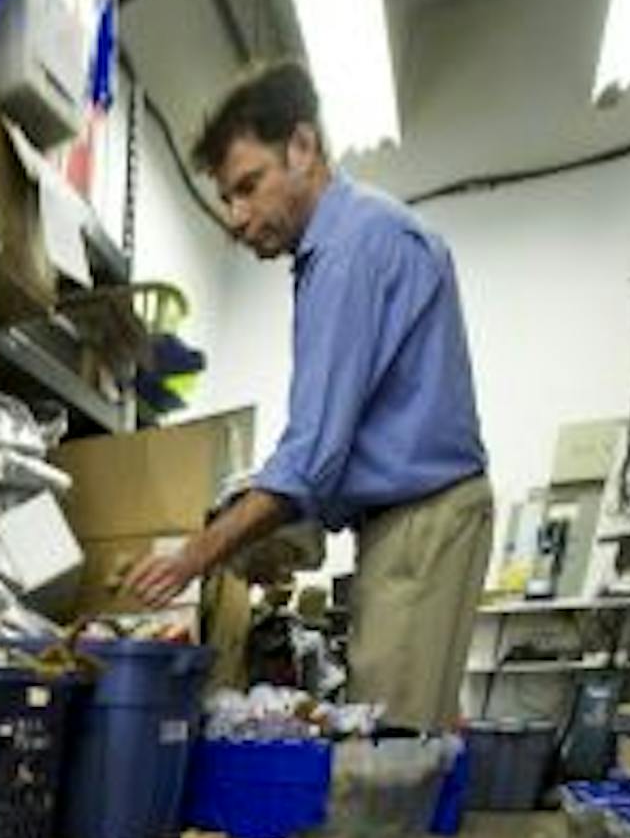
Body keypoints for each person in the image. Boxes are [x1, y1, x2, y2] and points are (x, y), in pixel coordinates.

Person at [127, 59, 493, 730]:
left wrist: (196, 555)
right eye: (227, 200)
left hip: (423, 520)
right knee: (395, 730)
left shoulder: (349, 249)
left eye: (248, 187)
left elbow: (313, 456)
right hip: (411, 520)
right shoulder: (349, 241)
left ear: (302, 147)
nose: (237, 219)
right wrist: (275, 537)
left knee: (384, 755)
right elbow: (333, 450)